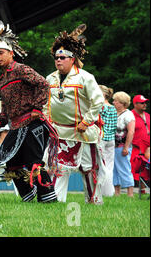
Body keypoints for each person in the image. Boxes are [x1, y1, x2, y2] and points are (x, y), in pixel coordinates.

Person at [0, 21, 58, 203]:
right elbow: (6, 106)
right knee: (11, 164)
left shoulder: (21, 69)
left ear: (11, 53)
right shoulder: (2, 79)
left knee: (34, 163)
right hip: (15, 125)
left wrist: (37, 107)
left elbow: (44, 84)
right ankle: (28, 195)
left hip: (32, 123)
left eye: (1, 53)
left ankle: (48, 199)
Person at [45, 24, 106, 205]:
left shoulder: (85, 77)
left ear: (72, 59)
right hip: (59, 131)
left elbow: (97, 101)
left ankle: (94, 201)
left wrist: (87, 122)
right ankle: (55, 201)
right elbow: (45, 103)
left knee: (88, 168)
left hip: (84, 132)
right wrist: (47, 121)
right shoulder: (50, 78)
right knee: (57, 168)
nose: (58, 60)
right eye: (56, 57)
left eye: (62, 57)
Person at [112, 91, 135, 197]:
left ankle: (130, 193)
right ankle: (117, 192)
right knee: (114, 170)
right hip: (113, 146)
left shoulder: (128, 115)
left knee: (125, 168)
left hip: (122, 147)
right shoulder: (114, 113)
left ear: (122, 103)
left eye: (116, 101)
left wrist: (126, 147)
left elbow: (131, 131)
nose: (113, 103)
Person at [98, 85, 117, 197]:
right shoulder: (113, 108)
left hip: (102, 138)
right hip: (111, 139)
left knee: (101, 165)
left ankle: (102, 189)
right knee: (109, 166)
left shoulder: (101, 107)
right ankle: (109, 191)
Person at [131, 94, 150, 184]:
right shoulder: (130, 115)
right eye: (142, 103)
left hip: (148, 149)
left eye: (145, 102)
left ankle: (142, 192)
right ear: (135, 104)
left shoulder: (147, 115)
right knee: (136, 170)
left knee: (145, 171)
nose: (145, 104)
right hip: (135, 148)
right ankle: (134, 191)